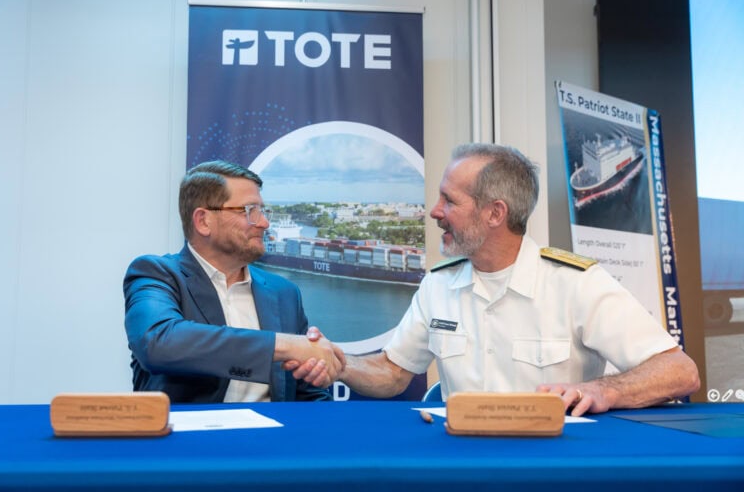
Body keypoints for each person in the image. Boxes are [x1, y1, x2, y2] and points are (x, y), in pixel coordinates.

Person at [289, 143, 700, 416]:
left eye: (449, 200)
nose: (434, 211)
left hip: (553, 470)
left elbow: (679, 371)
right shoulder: (438, 284)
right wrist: (339, 364)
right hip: (460, 467)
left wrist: (603, 391)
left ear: (495, 213)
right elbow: (393, 372)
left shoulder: (575, 283)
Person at [124, 160, 344, 403]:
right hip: (191, 438)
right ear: (203, 221)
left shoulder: (284, 292)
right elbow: (157, 343)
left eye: (263, 210)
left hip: (272, 437)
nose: (264, 223)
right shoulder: (157, 273)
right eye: (250, 210)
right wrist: (284, 345)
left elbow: (308, 394)